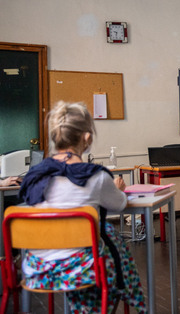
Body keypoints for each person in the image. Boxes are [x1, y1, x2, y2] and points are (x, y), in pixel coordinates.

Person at [18, 102, 147, 313]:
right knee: (112, 238)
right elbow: (120, 204)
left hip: (36, 269)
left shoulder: (34, 177)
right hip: (82, 269)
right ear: (87, 137)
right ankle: (125, 298)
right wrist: (118, 189)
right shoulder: (96, 176)